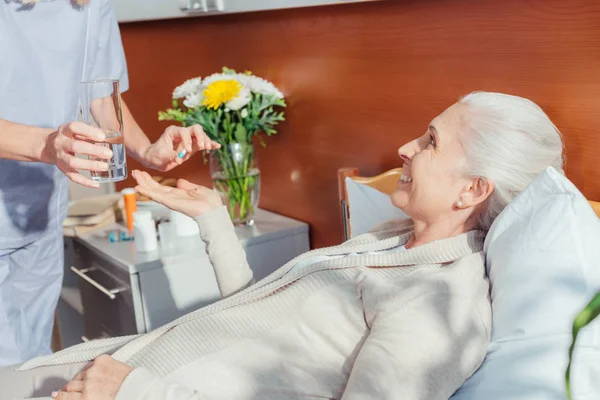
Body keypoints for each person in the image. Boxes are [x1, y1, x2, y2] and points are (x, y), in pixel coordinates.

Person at [0, 91, 565, 400]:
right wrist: (216, 222)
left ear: (473, 189)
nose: (405, 147)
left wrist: (137, 390)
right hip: (112, 369)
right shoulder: (393, 242)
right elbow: (260, 319)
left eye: (431, 141)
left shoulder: (441, 307)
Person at [0, 0, 219, 367]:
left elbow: (101, 97)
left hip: (38, 211)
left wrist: (147, 150)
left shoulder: (90, 4)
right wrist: (46, 144)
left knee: (28, 360)